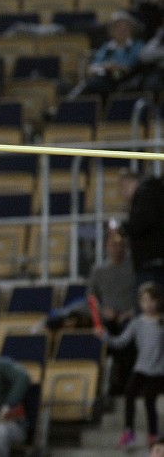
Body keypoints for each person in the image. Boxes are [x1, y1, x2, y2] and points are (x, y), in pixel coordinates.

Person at [96, 282, 164, 449]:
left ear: (158, 301)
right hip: (141, 368)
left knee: (150, 400)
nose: (148, 305)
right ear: (139, 303)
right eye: (144, 301)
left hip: (159, 371)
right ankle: (129, 432)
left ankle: (153, 434)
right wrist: (104, 336)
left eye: (151, 300)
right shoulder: (137, 323)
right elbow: (120, 342)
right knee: (129, 394)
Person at [88, 226, 138, 393]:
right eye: (113, 245)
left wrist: (131, 312)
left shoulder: (134, 267)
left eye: (120, 244)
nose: (117, 248)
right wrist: (103, 311)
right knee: (100, 333)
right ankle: (105, 384)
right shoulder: (98, 270)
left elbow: (142, 293)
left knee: (129, 334)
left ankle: (130, 383)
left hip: (130, 316)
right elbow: (91, 298)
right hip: (107, 316)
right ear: (106, 246)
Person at [71, 10, 144, 100]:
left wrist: (118, 68)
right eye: (118, 27)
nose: (122, 31)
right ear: (112, 30)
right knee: (93, 85)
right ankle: (72, 103)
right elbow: (92, 68)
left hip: (127, 81)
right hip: (105, 80)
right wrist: (105, 66)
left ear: (131, 29)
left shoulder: (137, 46)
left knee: (96, 86)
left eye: (125, 27)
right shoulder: (107, 47)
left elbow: (135, 65)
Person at [121, 172, 164, 289]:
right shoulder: (154, 191)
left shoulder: (145, 194)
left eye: (123, 188)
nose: (122, 194)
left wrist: (125, 228)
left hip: (150, 264)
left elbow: (142, 223)